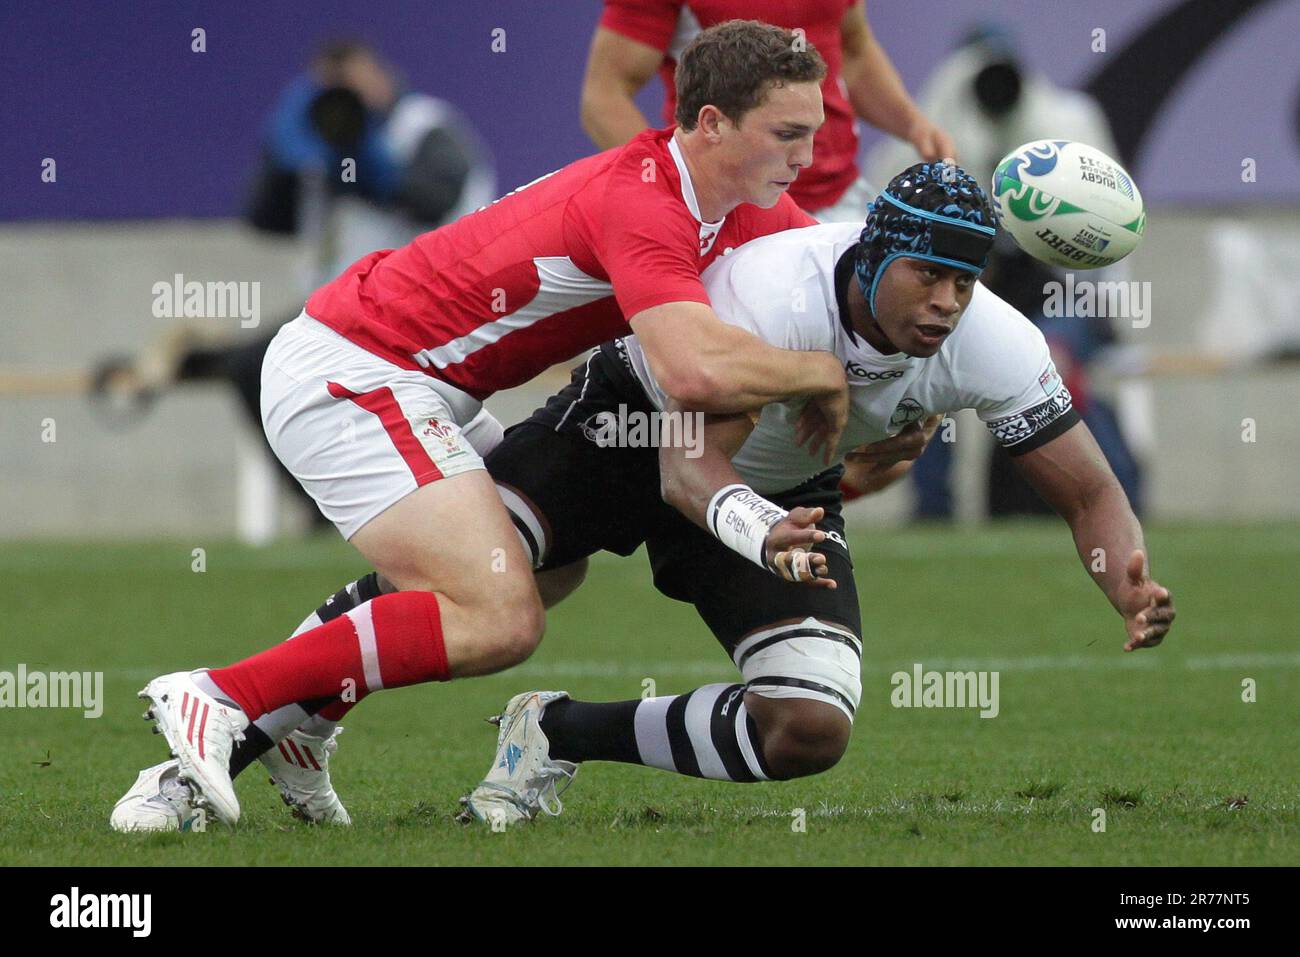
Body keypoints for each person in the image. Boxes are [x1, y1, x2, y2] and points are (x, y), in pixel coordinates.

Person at [111, 20, 852, 831]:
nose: (806, 157)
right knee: (501, 616)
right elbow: (693, 371)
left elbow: (845, 274)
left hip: (418, 383)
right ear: (711, 124)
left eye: (812, 133)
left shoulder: (735, 206)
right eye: (788, 133)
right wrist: (823, 374)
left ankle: (306, 719)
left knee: (550, 562)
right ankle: (223, 695)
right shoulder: (645, 201)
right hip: (356, 371)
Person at [452, 162, 1175, 823]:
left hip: (779, 485)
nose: (947, 302)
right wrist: (763, 531)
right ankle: (330, 706)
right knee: (466, 574)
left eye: (964, 281)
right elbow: (683, 466)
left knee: (807, 727)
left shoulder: (993, 339)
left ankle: (552, 731)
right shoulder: (775, 291)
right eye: (927, 274)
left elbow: (1090, 493)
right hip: (631, 426)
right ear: (874, 254)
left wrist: (1126, 578)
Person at [580, 1, 955, 222]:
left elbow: (853, 49)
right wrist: (678, 195)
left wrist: (912, 124)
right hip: (728, 217)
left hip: (839, 202)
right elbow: (604, 97)